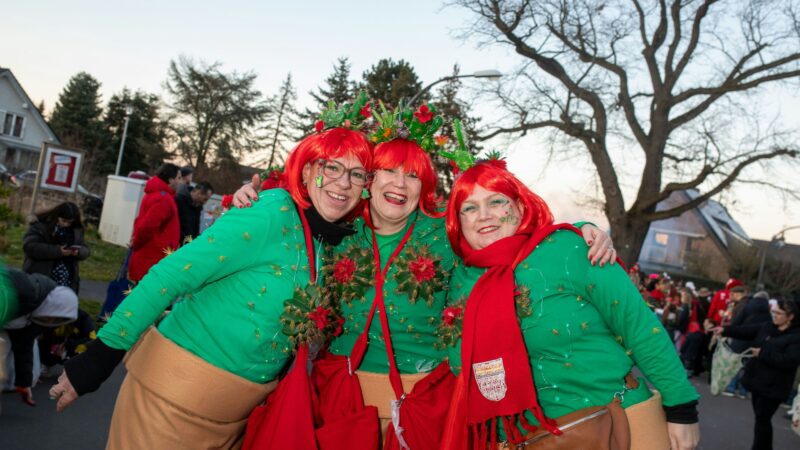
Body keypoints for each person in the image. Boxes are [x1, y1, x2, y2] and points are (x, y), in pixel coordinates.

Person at [232, 108, 616, 449]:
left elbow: (508, 238)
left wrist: (580, 228)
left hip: (422, 412)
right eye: (389, 171)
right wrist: (256, 194)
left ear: (425, 186)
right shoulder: (339, 228)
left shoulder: (444, 235)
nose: (400, 184)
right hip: (338, 405)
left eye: (413, 176)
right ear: (368, 179)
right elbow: (296, 206)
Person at [49, 100, 375, 449]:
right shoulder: (270, 212)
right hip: (169, 404)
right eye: (332, 167)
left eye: (356, 174)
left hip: (234, 420)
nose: (343, 182)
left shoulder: (328, 237)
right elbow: (169, 277)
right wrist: (96, 360)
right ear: (307, 171)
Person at [440, 159, 700, 450]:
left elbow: (639, 327)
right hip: (519, 440)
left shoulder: (571, 249)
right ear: (458, 220)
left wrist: (682, 410)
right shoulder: (460, 278)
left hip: (612, 426)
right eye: (470, 207)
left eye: (496, 201)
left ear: (520, 206)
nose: (484, 215)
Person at [716, 299, 800, 450]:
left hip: (775, 386)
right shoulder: (768, 326)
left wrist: (763, 352)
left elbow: (789, 361)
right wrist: (725, 330)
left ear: (790, 316)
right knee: (761, 419)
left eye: (779, 313)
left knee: (763, 418)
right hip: (758, 381)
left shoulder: (796, 337)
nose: (774, 316)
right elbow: (746, 330)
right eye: (773, 312)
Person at [3, 269, 77, 406]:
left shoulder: (38, 316)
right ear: (53, 306)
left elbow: (23, 347)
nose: (50, 321)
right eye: (53, 317)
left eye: (56, 320)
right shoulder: (25, 290)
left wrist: (23, 384)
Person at [127, 163, 182, 283]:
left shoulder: (155, 194)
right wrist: (136, 243)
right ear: (170, 179)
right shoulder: (163, 199)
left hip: (150, 257)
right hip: (152, 259)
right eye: (178, 178)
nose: (180, 182)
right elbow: (147, 226)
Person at [22, 202, 90, 294]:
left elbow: (86, 250)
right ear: (56, 216)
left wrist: (78, 252)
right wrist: (58, 251)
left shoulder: (77, 231)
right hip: (40, 278)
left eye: (69, 222)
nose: (66, 224)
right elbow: (30, 247)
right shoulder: (40, 227)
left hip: (66, 280)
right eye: (63, 220)